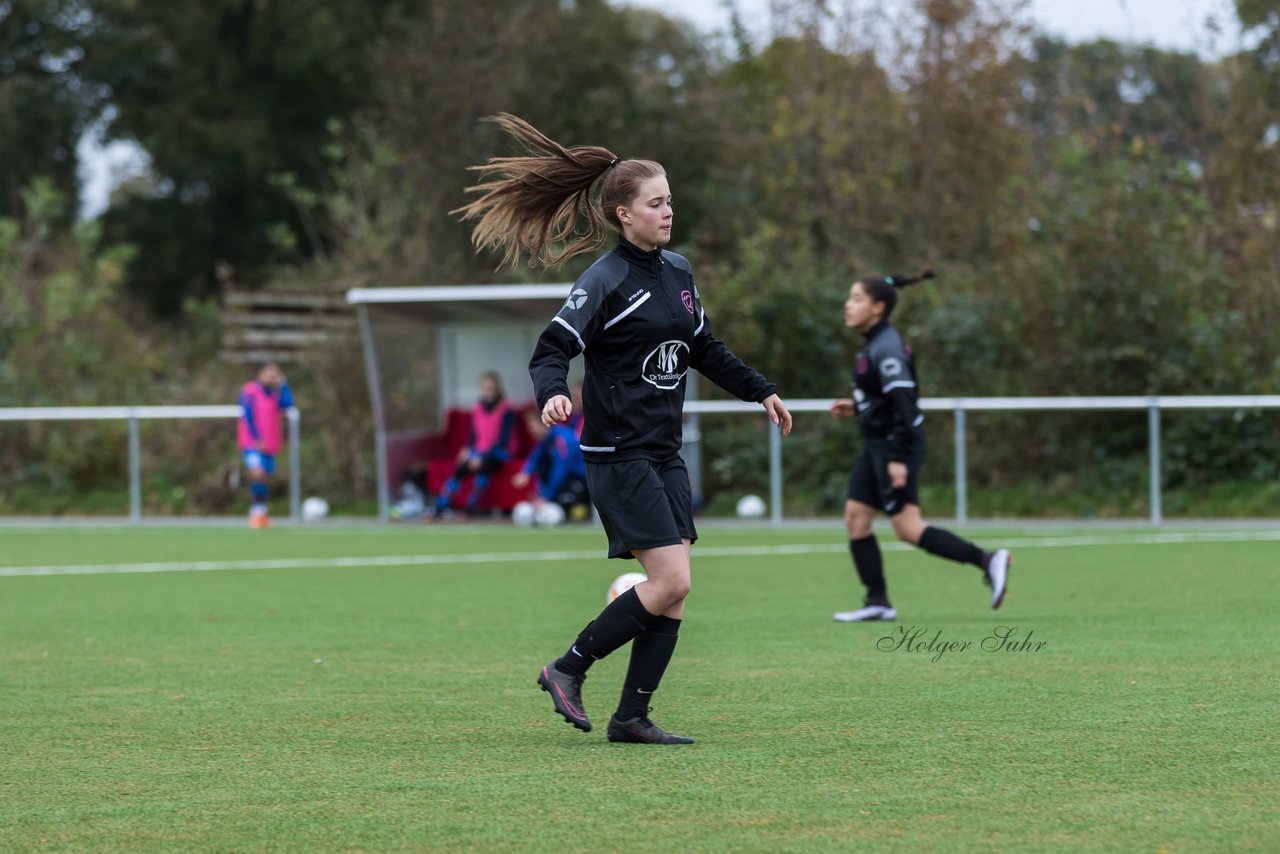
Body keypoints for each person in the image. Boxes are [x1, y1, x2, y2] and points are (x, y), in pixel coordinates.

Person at [455, 113, 793, 744]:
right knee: (672, 580)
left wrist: (761, 390)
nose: (668, 212)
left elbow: (704, 347)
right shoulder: (603, 280)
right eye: (656, 203)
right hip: (617, 453)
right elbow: (551, 349)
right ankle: (567, 667)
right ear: (623, 215)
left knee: (674, 593)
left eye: (670, 201)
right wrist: (553, 394)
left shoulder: (679, 272)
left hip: (663, 451)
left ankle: (631, 716)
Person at [829, 272, 1010, 621]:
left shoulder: (887, 347)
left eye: (856, 299)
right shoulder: (874, 342)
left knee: (908, 528)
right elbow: (885, 398)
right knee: (856, 518)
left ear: (878, 307)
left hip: (895, 446)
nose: (847, 306)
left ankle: (988, 560)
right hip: (877, 444)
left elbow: (906, 405)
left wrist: (898, 457)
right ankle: (878, 601)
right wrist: (858, 407)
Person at [434, 371, 518, 516]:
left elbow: (503, 441)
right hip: (479, 451)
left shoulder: (506, 409)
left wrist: (481, 456)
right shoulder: (478, 408)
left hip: (499, 453)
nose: (487, 392)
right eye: (484, 388)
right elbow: (473, 436)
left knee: (484, 467)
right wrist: (468, 450)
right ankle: (440, 506)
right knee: (461, 467)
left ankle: (470, 508)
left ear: (497, 389)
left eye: (490, 388)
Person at [237, 362, 294, 528]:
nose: (271, 376)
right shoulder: (250, 391)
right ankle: (255, 515)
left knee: (265, 478)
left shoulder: (275, 394)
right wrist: (256, 438)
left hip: (270, 444)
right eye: (268, 372)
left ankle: (261, 514)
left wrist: (283, 384)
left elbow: (288, 404)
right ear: (260, 373)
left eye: (275, 373)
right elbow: (247, 415)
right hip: (252, 443)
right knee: (258, 473)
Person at [512, 408, 588, 518]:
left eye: (532, 426)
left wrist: (546, 498)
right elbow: (535, 457)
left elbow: (560, 471)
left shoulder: (563, 439)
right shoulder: (546, 440)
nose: (530, 430)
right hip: (566, 480)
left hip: (579, 481)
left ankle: (574, 510)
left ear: (544, 424)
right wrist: (525, 473)